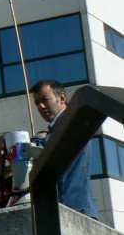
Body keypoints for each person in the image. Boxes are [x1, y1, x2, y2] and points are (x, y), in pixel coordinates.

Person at [30, 79, 99, 217]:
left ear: (62, 98)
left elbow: (54, 155)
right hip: (73, 207)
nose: (41, 106)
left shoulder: (70, 123)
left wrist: (38, 142)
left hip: (73, 208)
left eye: (45, 100)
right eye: (37, 103)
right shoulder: (60, 126)